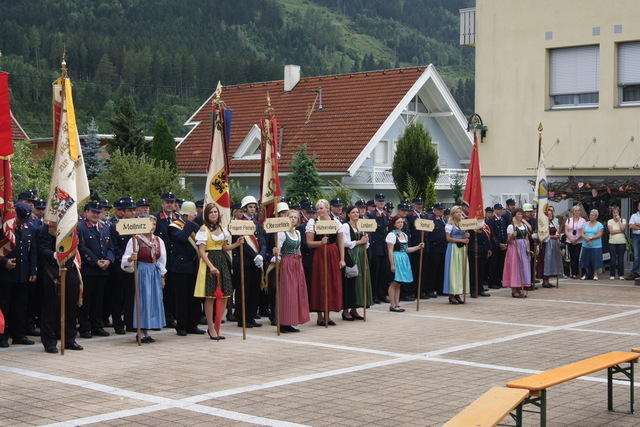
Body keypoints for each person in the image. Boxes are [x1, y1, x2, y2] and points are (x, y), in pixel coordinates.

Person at [195, 203, 242, 340]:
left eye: (215, 212)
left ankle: (218, 327)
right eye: (211, 212)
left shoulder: (221, 228)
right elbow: (202, 251)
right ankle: (210, 328)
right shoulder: (204, 229)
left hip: (221, 261)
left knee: (224, 295)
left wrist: (237, 244)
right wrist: (211, 267)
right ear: (207, 215)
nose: (214, 214)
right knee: (210, 297)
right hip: (210, 261)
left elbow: (225, 247)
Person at [37, 225, 83, 353]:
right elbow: (42, 248)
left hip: (70, 267)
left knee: (71, 306)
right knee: (50, 307)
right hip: (52, 269)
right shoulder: (47, 227)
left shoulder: (71, 225)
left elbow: (78, 245)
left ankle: (69, 339)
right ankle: (49, 342)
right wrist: (55, 255)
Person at [121, 217, 167, 343]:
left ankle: (146, 331)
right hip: (142, 272)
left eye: (154, 224)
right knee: (142, 301)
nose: (152, 226)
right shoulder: (135, 240)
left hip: (154, 272)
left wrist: (162, 274)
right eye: (149, 224)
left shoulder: (158, 240)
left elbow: (162, 259)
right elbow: (125, 259)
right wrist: (131, 258)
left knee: (152, 301)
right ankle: (140, 333)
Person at [0, 203, 38, 347]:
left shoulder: (30, 228)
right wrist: (4, 262)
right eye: (20, 217)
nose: (22, 221)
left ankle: (19, 335)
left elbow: (33, 251)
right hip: (6, 274)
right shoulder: (4, 228)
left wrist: (33, 271)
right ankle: (2, 336)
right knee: (5, 305)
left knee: (21, 306)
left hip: (23, 273)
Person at [77, 201, 114, 338]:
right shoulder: (80, 227)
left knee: (99, 301)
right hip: (88, 269)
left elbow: (110, 247)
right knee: (86, 301)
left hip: (103, 270)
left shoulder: (105, 227)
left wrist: (109, 260)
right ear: (86, 212)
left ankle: (97, 326)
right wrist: (95, 261)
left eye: (98, 212)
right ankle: (85, 328)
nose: (96, 215)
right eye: (93, 212)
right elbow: (81, 247)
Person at [305, 199, 345, 326]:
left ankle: (328, 315)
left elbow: (341, 242)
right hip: (319, 254)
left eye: (321, 208)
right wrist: (320, 242)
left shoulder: (335, 222)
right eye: (318, 208)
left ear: (327, 209)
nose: (319, 210)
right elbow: (309, 243)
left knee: (331, 282)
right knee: (320, 283)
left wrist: (342, 259)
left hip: (333, 253)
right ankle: (320, 316)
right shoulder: (313, 222)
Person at [168, 201, 205, 336]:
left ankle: (192, 324)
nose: (193, 217)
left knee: (194, 298)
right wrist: (189, 223)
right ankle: (181, 326)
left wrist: (192, 224)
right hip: (180, 267)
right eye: (191, 214)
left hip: (193, 266)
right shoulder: (174, 226)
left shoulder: (194, 225)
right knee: (181, 298)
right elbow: (182, 238)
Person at [273, 209, 311, 333]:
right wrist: (276, 255)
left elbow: (298, 249)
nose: (293, 219)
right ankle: (283, 322)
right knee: (287, 292)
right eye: (291, 217)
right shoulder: (282, 233)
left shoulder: (298, 233)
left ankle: (291, 320)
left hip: (297, 263)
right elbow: (278, 250)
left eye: (295, 217)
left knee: (296, 292)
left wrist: (300, 263)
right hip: (286, 263)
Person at [232, 196, 266, 328]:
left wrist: (261, 255)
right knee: (243, 290)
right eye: (250, 207)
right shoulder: (238, 223)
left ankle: (251, 316)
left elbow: (262, 240)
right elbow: (242, 243)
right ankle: (242, 318)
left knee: (254, 290)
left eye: (254, 207)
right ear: (245, 208)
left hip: (257, 262)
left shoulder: (257, 223)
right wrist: (254, 256)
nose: (252, 209)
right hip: (244, 261)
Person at [108, 196, 137, 334]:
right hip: (119, 266)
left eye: (133, 210)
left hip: (133, 266)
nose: (132, 213)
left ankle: (130, 323)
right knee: (117, 297)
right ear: (123, 212)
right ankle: (118, 324)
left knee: (130, 296)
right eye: (129, 210)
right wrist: (124, 259)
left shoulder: (137, 226)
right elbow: (114, 246)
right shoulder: (115, 227)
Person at [340, 206, 372, 320]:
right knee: (350, 282)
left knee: (360, 282)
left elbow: (366, 243)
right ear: (348, 214)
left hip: (361, 255)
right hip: (351, 255)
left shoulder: (361, 226)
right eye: (353, 212)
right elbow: (344, 243)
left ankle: (355, 309)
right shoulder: (345, 226)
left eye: (357, 212)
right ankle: (345, 310)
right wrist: (359, 241)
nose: (356, 214)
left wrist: (366, 241)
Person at [386, 216, 424, 311]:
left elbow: (406, 249)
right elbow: (390, 250)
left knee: (399, 283)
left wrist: (418, 247)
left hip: (403, 258)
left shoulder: (404, 235)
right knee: (394, 282)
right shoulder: (391, 235)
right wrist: (392, 264)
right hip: (396, 258)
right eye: (398, 222)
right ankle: (392, 304)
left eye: (402, 222)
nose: (400, 224)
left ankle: (397, 303)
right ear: (394, 224)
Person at [154, 192, 179, 328]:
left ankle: (171, 317)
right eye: (167, 202)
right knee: (161, 290)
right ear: (162, 203)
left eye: (172, 202)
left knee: (172, 290)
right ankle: (162, 317)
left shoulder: (178, 218)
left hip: (175, 260)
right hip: (161, 260)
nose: (169, 204)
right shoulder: (156, 218)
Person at [366, 193, 390, 303]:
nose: (381, 202)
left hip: (384, 247)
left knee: (383, 272)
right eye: (379, 201)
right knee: (375, 273)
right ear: (375, 202)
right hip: (376, 247)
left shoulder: (385, 215)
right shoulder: (371, 215)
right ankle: (374, 295)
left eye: (382, 201)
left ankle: (382, 294)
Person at [443, 206, 469, 304]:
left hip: (462, 249)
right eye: (457, 212)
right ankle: (451, 294)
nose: (459, 214)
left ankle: (458, 293)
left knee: (461, 271)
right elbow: (448, 238)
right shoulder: (449, 224)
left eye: (460, 212)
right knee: (453, 271)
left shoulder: (462, 224)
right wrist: (461, 239)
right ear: (453, 214)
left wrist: (466, 236)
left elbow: (465, 235)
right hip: (453, 249)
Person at [502, 208, 531, 298]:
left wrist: (528, 250)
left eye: (521, 214)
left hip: (523, 247)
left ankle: (520, 288)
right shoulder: (511, 226)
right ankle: (514, 290)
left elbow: (526, 238)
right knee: (515, 268)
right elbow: (509, 241)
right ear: (514, 215)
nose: (520, 216)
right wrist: (511, 236)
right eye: (518, 214)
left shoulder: (524, 225)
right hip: (514, 248)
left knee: (523, 267)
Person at [536, 206, 564, 287]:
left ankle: (547, 280)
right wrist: (552, 237)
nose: (550, 216)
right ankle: (544, 280)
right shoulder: (542, 224)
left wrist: (557, 235)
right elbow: (542, 235)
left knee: (552, 262)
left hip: (554, 244)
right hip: (546, 244)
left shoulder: (553, 223)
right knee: (546, 262)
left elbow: (557, 232)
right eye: (548, 215)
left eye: (551, 215)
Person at [468, 208, 492, 297]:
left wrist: (489, 248)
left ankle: (480, 289)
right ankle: (473, 290)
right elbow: (469, 235)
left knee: (481, 271)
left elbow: (486, 237)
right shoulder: (471, 224)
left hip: (483, 250)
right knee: (473, 271)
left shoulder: (483, 224)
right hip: (473, 250)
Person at [426, 203, 447, 298]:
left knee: (441, 270)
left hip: (443, 248)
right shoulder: (431, 220)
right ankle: (430, 289)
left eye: (441, 209)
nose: (441, 211)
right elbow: (428, 235)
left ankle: (440, 289)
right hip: (434, 249)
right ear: (434, 210)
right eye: (439, 209)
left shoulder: (443, 220)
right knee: (432, 271)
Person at [488, 204, 508, 288]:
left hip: (503, 245)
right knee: (494, 264)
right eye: (498, 209)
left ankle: (499, 280)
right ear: (495, 210)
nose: (500, 211)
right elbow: (492, 235)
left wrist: (505, 243)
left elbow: (504, 232)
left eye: (501, 209)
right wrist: (499, 244)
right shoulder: (491, 220)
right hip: (495, 246)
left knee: (501, 264)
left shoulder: (503, 219)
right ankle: (492, 282)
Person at [580, 209, 604, 280]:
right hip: (586, 245)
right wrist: (586, 238)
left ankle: (595, 274)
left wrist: (591, 238)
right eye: (590, 214)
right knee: (585, 260)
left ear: (596, 216)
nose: (591, 216)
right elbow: (582, 233)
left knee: (595, 260)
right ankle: (586, 274)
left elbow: (600, 234)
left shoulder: (599, 225)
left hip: (596, 246)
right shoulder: (585, 224)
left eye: (593, 215)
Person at [564, 205, 586, 279]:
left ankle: (577, 273)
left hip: (579, 241)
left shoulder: (583, 220)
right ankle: (573, 273)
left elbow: (583, 231)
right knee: (572, 257)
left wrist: (576, 239)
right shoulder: (569, 220)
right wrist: (570, 238)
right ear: (573, 212)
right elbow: (566, 230)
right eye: (575, 211)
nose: (577, 212)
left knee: (577, 256)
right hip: (569, 241)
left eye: (578, 210)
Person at [607, 206, 627, 280]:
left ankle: (620, 274)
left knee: (620, 259)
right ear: (612, 213)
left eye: (616, 212)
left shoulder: (623, 220)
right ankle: (612, 274)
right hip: (612, 242)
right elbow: (611, 231)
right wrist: (621, 231)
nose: (615, 214)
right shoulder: (609, 221)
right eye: (614, 212)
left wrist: (619, 220)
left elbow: (623, 228)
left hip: (622, 242)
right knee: (613, 259)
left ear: (619, 213)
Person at [629, 202, 640, 280]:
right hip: (636, 237)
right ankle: (634, 273)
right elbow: (631, 226)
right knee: (636, 256)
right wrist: (636, 225)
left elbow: (634, 225)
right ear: (638, 207)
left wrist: (637, 224)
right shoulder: (634, 215)